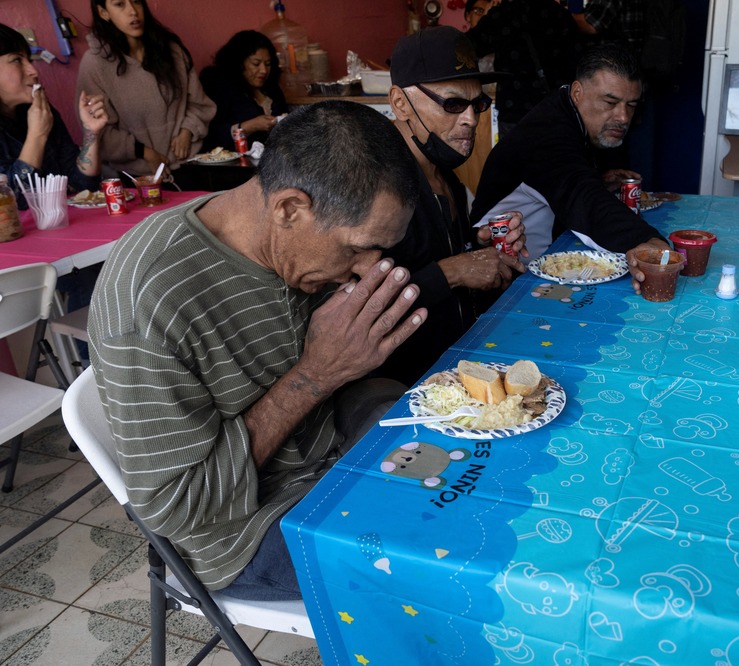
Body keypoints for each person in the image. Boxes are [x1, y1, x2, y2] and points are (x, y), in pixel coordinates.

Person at [87, 101, 426, 599]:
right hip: (241, 531)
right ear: (289, 208)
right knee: (431, 558)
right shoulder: (152, 296)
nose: (363, 268)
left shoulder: (293, 241)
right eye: (357, 248)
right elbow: (175, 509)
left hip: (325, 443)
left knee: (465, 454)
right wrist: (315, 376)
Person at [378, 26, 526, 386]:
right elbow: (362, 309)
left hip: (461, 365)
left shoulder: (448, 177)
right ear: (400, 103)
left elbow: (436, 255)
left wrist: (479, 247)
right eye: (453, 103)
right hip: (406, 387)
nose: (471, 119)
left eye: (479, 104)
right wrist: (456, 270)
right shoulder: (375, 185)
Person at [470, 42, 668, 292]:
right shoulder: (548, 132)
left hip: (543, 256)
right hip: (501, 274)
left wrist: (597, 178)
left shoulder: (567, 112)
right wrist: (646, 241)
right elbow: (582, 197)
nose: (623, 117)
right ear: (577, 93)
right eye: (610, 102)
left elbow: (567, 179)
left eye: (631, 105)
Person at [77, 0, 216, 185]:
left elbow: (200, 104)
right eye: (120, 4)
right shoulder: (94, 64)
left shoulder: (171, 50)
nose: (133, 11)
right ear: (103, 13)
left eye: (136, 2)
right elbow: (98, 132)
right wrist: (144, 152)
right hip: (135, 177)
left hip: (188, 166)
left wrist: (188, 130)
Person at [0, 23, 107, 209]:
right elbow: (13, 205)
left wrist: (91, 133)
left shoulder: (40, 111)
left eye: (29, 60)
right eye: (17, 60)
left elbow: (82, 187)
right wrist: (37, 135)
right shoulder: (39, 120)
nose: (34, 71)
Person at [466, 0, 583, 136]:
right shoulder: (559, 14)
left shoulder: (501, 15)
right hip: (555, 108)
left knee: (514, 155)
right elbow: (578, 61)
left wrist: (486, 16)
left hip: (514, 109)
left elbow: (467, 49)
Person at [200, 30, 289, 152]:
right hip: (232, 165)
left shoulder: (271, 88)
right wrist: (249, 126)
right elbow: (211, 136)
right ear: (239, 63)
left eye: (268, 64)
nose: (264, 70)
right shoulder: (219, 87)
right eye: (256, 64)